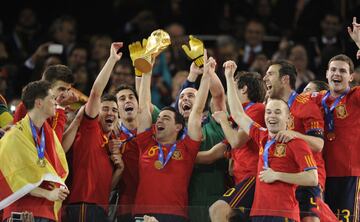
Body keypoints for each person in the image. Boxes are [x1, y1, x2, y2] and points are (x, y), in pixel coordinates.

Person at [223, 60, 318, 221]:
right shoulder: (262, 136)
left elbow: (312, 178)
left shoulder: (296, 142)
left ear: (288, 118)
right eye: (268, 112)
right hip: (258, 213)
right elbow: (239, 115)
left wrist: (277, 175)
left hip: (284, 213)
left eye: (277, 112)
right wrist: (229, 78)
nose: (271, 116)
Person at [133, 52, 214, 222]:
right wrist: (147, 72)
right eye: (159, 118)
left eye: (166, 118)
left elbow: (197, 111)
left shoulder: (187, 148)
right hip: (142, 213)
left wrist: (206, 76)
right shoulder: (146, 143)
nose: (159, 120)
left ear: (178, 127)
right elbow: (143, 108)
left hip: (175, 216)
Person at [61, 42, 124, 221]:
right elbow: (96, 93)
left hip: (100, 208)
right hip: (82, 206)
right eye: (105, 109)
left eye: (114, 110)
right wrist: (112, 60)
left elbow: (106, 187)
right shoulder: (91, 128)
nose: (110, 112)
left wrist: (119, 169)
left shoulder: (112, 143)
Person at [263, 60, 332, 221]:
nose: (265, 78)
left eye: (270, 74)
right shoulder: (271, 108)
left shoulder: (305, 104)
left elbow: (318, 144)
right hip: (282, 178)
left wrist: (294, 134)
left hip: (306, 179)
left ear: (285, 79)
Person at [309, 17, 360, 221]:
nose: (337, 74)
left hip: (350, 173)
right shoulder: (316, 99)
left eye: (342, 71)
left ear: (351, 77)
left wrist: (359, 44)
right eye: (333, 70)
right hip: (322, 174)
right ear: (326, 74)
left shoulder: (355, 97)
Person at [0, 80, 69, 221]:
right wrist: (47, 194)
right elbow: (13, 180)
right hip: (21, 212)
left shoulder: (49, 136)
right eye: (52, 98)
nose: (55, 102)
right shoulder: (14, 136)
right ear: (39, 103)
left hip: (47, 213)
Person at [204, 71, 266, 222]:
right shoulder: (240, 116)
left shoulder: (256, 109)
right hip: (240, 179)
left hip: (252, 177)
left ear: (243, 89)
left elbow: (236, 142)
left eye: (232, 88)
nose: (228, 94)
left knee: (218, 210)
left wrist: (224, 121)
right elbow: (212, 155)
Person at [176, 61, 227, 222]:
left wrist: (209, 72)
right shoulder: (173, 130)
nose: (185, 99)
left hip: (216, 193)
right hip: (187, 199)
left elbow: (218, 95)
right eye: (182, 97)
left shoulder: (215, 121)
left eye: (191, 96)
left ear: (202, 100)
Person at [13, 64, 77, 142]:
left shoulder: (52, 107)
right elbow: (53, 144)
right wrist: (60, 108)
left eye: (68, 90)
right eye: (61, 89)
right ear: (47, 87)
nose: (66, 95)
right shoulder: (31, 105)